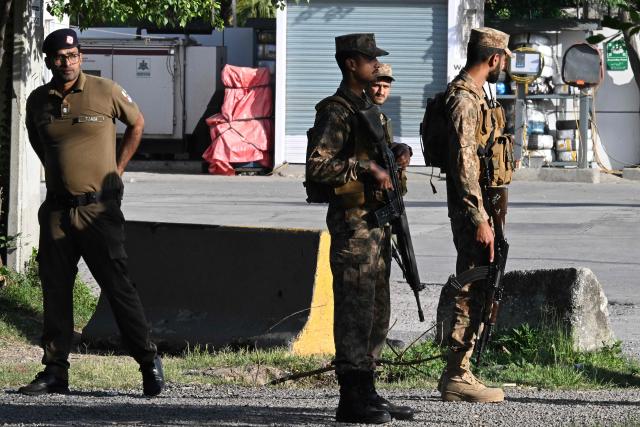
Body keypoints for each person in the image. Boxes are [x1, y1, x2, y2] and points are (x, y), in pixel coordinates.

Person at [19, 28, 163, 397]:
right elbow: (41, 147)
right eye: (59, 57)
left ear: (81, 56)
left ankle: (148, 362)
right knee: (55, 290)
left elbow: (137, 123)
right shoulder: (37, 101)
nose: (67, 63)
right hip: (56, 212)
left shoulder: (105, 90)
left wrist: (118, 170)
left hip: (99, 210)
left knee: (118, 286)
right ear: (48, 59)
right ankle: (55, 371)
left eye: (73, 56)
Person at [306, 34, 412, 424]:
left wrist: (397, 154)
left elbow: (373, 155)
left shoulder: (368, 108)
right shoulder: (336, 111)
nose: (375, 65)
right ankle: (351, 397)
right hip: (354, 227)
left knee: (376, 310)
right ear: (351, 64)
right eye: (369, 59)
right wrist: (365, 169)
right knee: (354, 309)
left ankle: (368, 389)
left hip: (377, 224)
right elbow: (317, 166)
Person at [440, 27, 513, 403]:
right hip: (475, 210)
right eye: (504, 60)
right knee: (470, 286)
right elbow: (463, 165)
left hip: (486, 206)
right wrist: (478, 218)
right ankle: (456, 373)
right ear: (494, 58)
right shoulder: (464, 100)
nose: (504, 66)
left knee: (485, 283)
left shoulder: (477, 96)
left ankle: (462, 368)